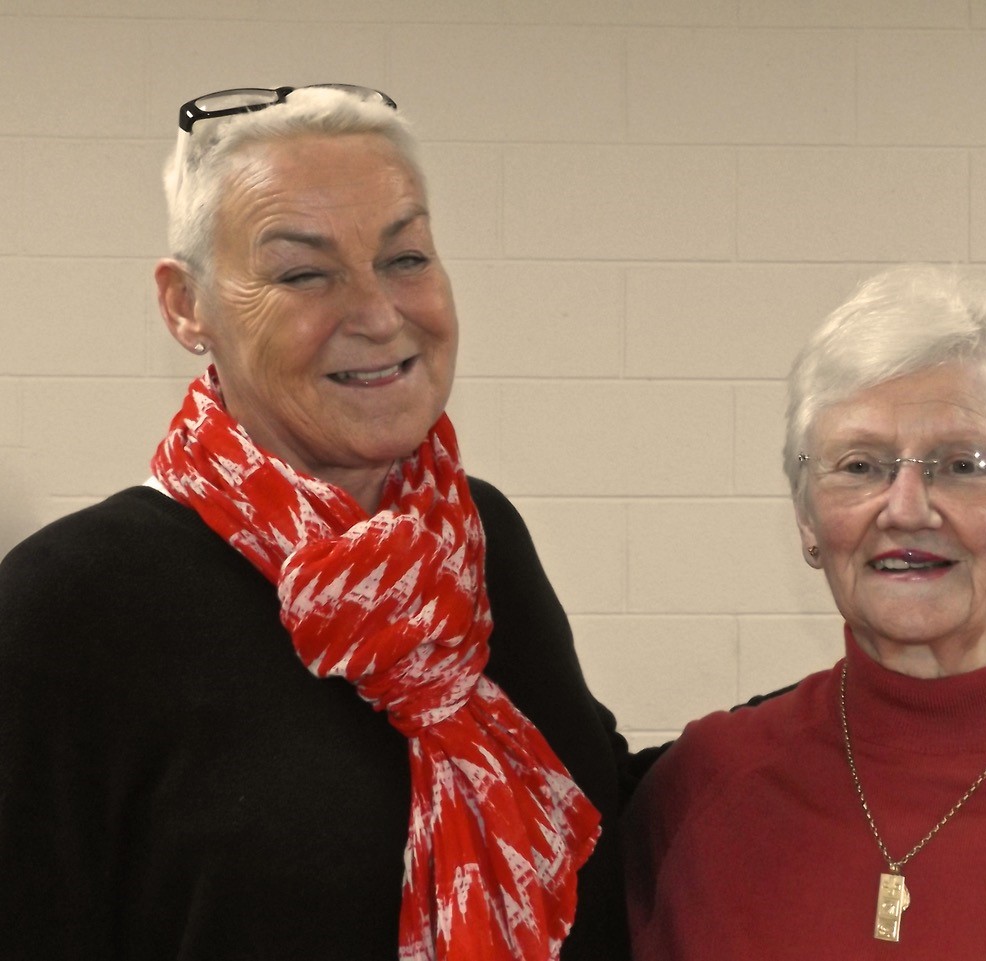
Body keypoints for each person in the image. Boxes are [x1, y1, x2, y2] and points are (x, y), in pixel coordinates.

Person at [0, 84, 632, 961]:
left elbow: (601, 798)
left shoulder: (474, 538)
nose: (377, 314)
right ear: (187, 306)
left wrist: (852, 707)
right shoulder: (69, 603)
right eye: (304, 273)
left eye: (405, 258)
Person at [624, 264, 986, 959]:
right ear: (807, 519)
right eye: (859, 466)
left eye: (962, 464)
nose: (904, 508)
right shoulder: (697, 794)